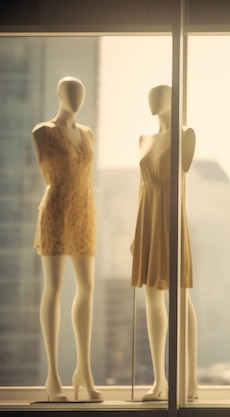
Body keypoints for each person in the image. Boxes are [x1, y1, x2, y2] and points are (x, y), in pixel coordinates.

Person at [32, 76, 102, 402]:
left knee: (87, 288)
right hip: (56, 213)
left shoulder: (88, 134)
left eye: (80, 93)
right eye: (70, 92)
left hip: (85, 213)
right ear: (59, 94)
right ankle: (53, 377)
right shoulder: (43, 133)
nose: (76, 98)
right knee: (54, 288)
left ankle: (84, 371)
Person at [130, 85, 199, 401]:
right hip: (148, 218)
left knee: (180, 298)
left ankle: (190, 381)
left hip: (171, 218)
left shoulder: (185, 135)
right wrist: (136, 234)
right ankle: (160, 381)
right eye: (151, 94)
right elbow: (142, 188)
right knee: (152, 297)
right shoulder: (144, 139)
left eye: (159, 94)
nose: (151, 99)